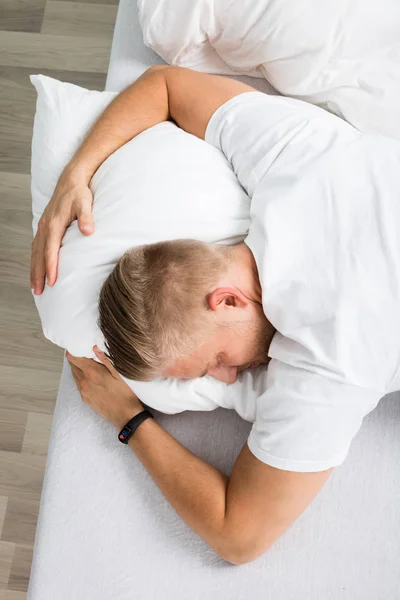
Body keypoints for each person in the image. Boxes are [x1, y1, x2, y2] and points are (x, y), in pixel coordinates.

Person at [30, 66, 400, 565]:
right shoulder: (295, 159)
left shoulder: (326, 357)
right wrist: (76, 178)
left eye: (213, 361)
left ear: (227, 300)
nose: (225, 379)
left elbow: (237, 536)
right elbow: (166, 85)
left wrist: (129, 418)